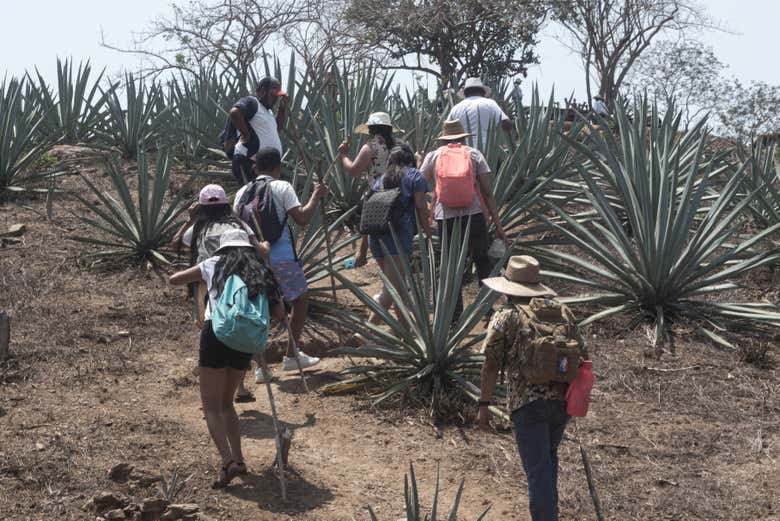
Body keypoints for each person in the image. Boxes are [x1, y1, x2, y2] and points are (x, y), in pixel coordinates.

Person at [169, 229, 284, 489]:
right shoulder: (260, 269)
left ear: (223, 248)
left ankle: (228, 462)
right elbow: (279, 312)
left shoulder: (214, 263)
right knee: (227, 403)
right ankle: (240, 460)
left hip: (216, 334)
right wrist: (266, 262)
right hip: (244, 342)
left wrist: (204, 277)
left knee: (210, 406)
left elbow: (174, 280)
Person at [477, 255, 586, 521]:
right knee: (547, 461)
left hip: (527, 404)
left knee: (537, 469)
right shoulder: (562, 312)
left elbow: (491, 364)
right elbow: (582, 354)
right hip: (562, 401)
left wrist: (484, 405)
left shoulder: (506, 316)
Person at [234, 147, 328, 377]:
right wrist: (316, 196)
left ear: (255, 168)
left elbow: (237, 227)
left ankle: (261, 368)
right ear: (277, 167)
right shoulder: (282, 186)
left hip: (252, 259)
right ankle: (291, 356)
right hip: (282, 257)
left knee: (257, 308)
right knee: (300, 299)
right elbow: (302, 218)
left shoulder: (242, 193)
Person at [172, 184, 271, 398]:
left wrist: (189, 220)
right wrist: (266, 245)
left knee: (215, 331)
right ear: (226, 204)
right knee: (240, 326)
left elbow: (176, 243)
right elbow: (261, 251)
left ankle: (217, 392)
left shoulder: (198, 228)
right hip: (240, 283)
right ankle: (239, 386)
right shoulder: (239, 225)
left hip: (208, 285)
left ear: (201, 208)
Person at [419, 119, 507, 320]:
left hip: (445, 217)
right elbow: (487, 193)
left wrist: (424, 220)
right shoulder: (474, 154)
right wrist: (498, 225)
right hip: (474, 215)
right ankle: (486, 309)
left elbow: (419, 184)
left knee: (451, 266)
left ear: (443, 138)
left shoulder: (433, 156)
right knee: (482, 260)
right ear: (462, 136)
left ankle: (454, 314)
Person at [365, 142, 432, 324]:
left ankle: (407, 331)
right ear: (410, 159)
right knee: (392, 289)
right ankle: (368, 330)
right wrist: (429, 233)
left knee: (399, 286)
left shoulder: (380, 179)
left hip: (375, 235)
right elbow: (420, 206)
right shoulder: (415, 176)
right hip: (397, 237)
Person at [337, 112, 395, 267]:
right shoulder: (397, 146)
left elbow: (354, 170)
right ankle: (362, 254)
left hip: (378, 197)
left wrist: (344, 156)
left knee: (376, 239)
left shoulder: (370, 147)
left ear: (371, 129)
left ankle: (388, 282)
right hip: (396, 196)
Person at [228, 77, 287, 186]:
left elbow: (277, 129)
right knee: (252, 199)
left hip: (264, 167)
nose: (275, 99)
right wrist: (246, 135)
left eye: (277, 97)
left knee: (261, 200)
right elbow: (235, 113)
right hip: (248, 161)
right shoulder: (252, 102)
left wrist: (282, 109)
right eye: (272, 95)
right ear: (262, 91)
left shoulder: (268, 112)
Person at [448, 77, 512, 151]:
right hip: (487, 152)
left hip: (462, 153)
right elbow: (507, 124)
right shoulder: (490, 103)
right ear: (483, 92)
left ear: (465, 93)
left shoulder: (456, 108)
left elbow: (447, 131)